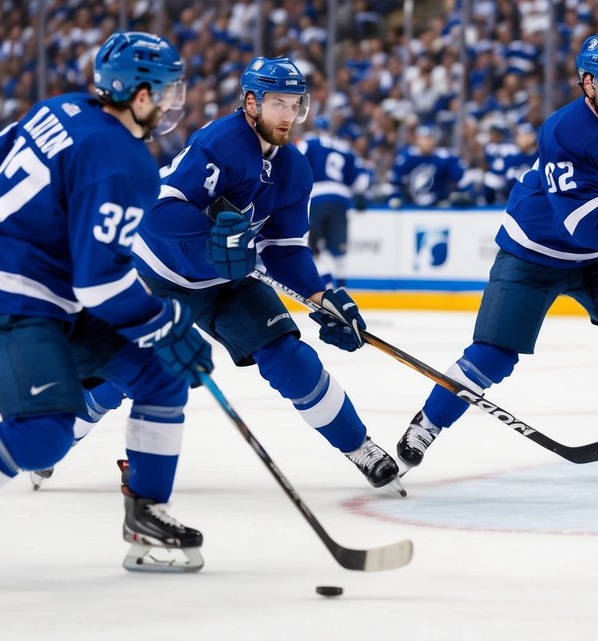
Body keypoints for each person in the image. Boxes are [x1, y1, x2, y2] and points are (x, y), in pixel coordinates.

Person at [0, 32, 213, 580]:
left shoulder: (60, 107)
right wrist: (162, 322)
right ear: (140, 96)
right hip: (1, 300)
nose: (172, 102)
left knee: (160, 379)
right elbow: (100, 284)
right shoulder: (125, 163)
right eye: (167, 90)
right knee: (44, 431)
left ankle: (146, 517)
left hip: (38, 291)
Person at [394, 34, 598, 482]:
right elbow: (583, 224)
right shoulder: (566, 130)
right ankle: (427, 424)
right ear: (587, 83)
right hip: (534, 252)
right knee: (494, 355)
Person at [126, 55, 403, 494]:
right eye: (279, 104)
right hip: (160, 275)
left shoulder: (295, 169)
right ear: (251, 103)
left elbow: (285, 248)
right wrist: (213, 239)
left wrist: (318, 296)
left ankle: (359, 447)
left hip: (228, 281)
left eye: (295, 104)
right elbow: (158, 210)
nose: (289, 115)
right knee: (120, 378)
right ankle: (61, 438)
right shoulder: (221, 142)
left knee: (290, 356)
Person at [298, 115, 370, 289]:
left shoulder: (309, 142)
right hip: (341, 199)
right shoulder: (345, 148)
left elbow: (296, 165)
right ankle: (342, 288)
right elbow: (361, 182)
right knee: (338, 249)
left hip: (316, 197)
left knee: (312, 248)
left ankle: (327, 283)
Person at [388, 124, 469, 207]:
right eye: (423, 138)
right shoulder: (407, 157)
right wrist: (397, 197)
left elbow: (461, 179)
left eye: (429, 138)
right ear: (417, 139)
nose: (426, 142)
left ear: (434, 140)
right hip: (412, 205)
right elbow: (394, 181)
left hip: (440, 205)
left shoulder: (444, 157)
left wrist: (459, 195)